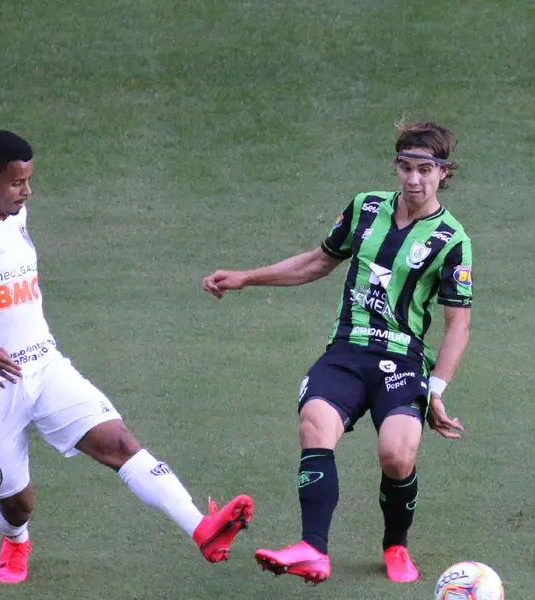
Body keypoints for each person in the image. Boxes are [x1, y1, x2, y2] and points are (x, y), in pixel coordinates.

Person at [0, 130, 254, 583]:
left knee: (121, 443)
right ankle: (15, 538)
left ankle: (202, 530)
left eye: (28, 181)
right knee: (17, 500)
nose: (27, 191)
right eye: (16, 183)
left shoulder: (16, 214)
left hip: (45, 365)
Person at [202, 122, 474, 584]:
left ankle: (395, 545)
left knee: (397, 456)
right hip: (347, 350)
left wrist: (438, 388)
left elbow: (457, 325)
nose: (413, 180)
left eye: (425, 170)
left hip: (403, 361)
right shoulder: (366, 208)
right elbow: (317, 261)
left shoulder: (452, 239)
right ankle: (313, 549)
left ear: (443, 173)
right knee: (315, 422)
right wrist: (247, 277)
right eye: (405, 167)